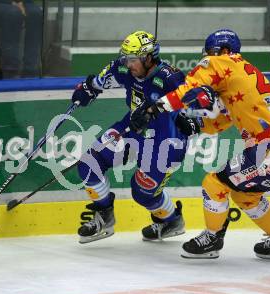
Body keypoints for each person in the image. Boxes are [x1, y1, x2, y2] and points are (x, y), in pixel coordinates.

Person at [131, 29, 270, 260]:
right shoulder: (240, 74)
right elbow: (223, 119)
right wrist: (196, 125)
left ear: (222, 50)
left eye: (210, 52)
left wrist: (154, 108)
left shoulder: (220, 61)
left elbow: (187, 90)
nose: (207, 58)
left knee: (214, 183)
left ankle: (212, 238)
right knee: (245, 196)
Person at [71, 31, 200, 244]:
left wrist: (194, 123)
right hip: (131, 128)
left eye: (133, 59)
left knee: (142, 193)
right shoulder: (123, 68)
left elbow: (198, 107)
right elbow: (99, 81)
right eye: (126, 58)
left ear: (148, 58)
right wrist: (88, 88)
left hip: (165, 141)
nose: (128, 64)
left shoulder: (171, 77)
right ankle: (104, 215)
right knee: (88, 164)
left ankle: (172, 221)